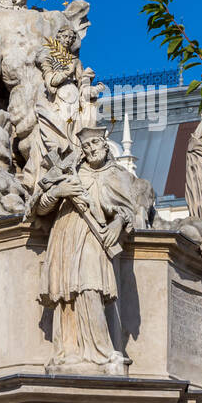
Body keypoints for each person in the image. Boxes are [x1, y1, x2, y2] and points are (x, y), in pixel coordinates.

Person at [35, 127, 135, 373]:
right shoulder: (70, 171)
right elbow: (38, 207)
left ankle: (100, 351)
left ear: (105, 145)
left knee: (90, 286)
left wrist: (118, 223)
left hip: (94, 237)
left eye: (95, 144)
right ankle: (68, 350)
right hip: (65, 235)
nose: (91, 149)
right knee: (67, 291)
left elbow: (130, 210)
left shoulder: (117, 175)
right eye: (86, 146)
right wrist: (59, 192)